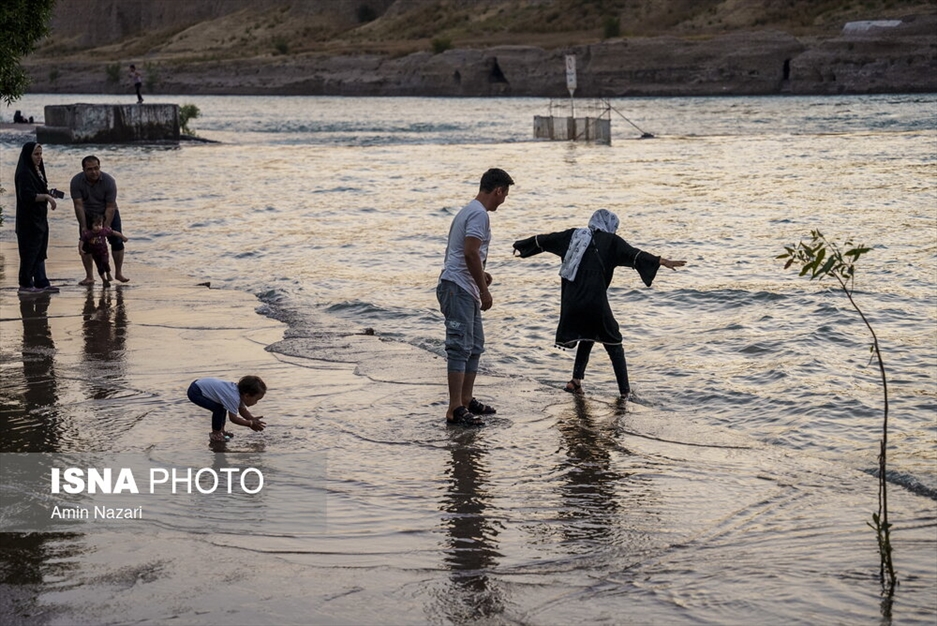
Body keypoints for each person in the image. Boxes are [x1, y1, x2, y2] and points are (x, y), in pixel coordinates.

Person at [513, 209, 685, 399]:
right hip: (593, 300)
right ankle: (625, 393)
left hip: (571, 300)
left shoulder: (573, 235)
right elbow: (634, 255)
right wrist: (661, 261)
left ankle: (575, 381)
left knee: (588, 334)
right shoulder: (612, 241)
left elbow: (545, 240)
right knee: (614, 341)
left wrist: (521, 246)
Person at [437, 168, 514, 426]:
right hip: (457, 287)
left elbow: (465, 254)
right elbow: (470, 252)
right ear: (498, 190)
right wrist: (484, 289)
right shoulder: (479, 215)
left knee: (475, 345)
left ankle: (466, 399)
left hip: (463, 285)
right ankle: (454, 408)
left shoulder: (469, 211)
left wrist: (482, 275)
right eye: (505, 194)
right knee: (459, 347)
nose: (504, 201)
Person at [70, 155, 130, 285]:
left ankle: (118, 272)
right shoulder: (76, 181)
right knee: (86, 242)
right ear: (84, 170)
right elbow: (78, 205)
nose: (94, 172)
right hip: (88, 213)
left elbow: (110, 206)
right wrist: (84, 226)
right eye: (90, 169)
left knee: (117, 241)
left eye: (96, 168)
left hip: (108, 211)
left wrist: (105, 227)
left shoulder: (109, 181)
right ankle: (89, 276)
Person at [14, 142, 59, 294]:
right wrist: (46, 196)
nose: (39, 157)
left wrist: (48, 193)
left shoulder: (37, 170)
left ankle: (41, 281)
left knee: (40, 250)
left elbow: (38, 189)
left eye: (40, 154)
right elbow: (26, 196)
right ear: (28, 155)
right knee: (29, 251)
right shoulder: (24, 173)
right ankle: (25, 283)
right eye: (36, 154)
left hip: (39, 218)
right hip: (28, 220)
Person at [187, 376, 267, 442]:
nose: (256, 402)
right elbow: (233, 418)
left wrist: (252, 419)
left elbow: (243, 411)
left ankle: (221, 430)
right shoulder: (233, 397)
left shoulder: (240, 393)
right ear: (247, 396)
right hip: (195, 391)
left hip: (201, 383)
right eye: (256, 399)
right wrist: (250, 423)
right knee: (218, 408)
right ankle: (216, 433)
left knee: (222, 406)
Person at [81, 214, 128, 286]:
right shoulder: (88, 234)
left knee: (105, 262)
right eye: (96, 225)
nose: (98, 227)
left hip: (104, 252)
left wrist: (122, 237)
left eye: (100, 225)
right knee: (99, 267)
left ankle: (108, 273)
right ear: (91, 225)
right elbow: (82, 241)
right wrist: (80, 249)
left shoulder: (103, 231)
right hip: (95, 254)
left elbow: (114, 233)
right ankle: (104, 280)